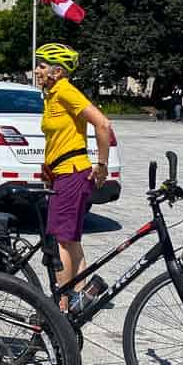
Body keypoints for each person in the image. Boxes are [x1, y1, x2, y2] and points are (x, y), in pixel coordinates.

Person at [35, 43, 112, 313]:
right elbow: (58, 138)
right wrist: (48, 170)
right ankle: (79, 297)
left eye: (41, 66)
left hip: (73, 174)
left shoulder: (66, 91)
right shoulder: (52, 95)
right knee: (72, 240)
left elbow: (102, 124)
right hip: (62, 174)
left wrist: (101, 166)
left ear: (57, 71)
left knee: (60, 241)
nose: (36, 70)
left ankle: (62, 305)